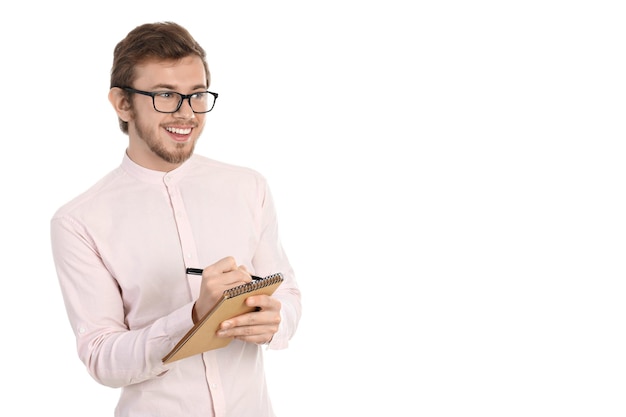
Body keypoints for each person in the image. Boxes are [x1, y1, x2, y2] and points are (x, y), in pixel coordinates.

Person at [50, 21, 301, 417]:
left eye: (196, 95)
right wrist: (194, 317)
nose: (187, 114)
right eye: (166, 94)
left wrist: (278, 319)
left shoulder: (248, 187)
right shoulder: (79, 221)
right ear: (122, 103)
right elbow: (101, 357)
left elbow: (286, 291)